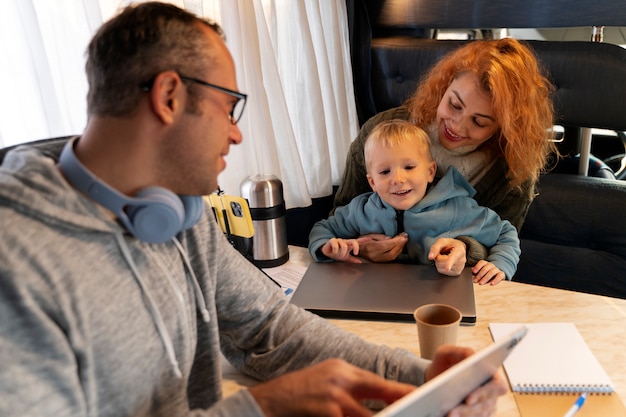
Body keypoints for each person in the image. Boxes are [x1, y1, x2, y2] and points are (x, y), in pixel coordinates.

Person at [0, 3, 507, 416]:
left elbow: (270, 329)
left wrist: (421, 376)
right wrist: (260, 409)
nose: (237, 132)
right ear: (170, 97)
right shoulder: (17, 262)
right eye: (229, 107)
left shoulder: (178, 212)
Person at [333, 37, 557, 276]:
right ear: (444, 87)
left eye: (479, 122)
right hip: (366, 277)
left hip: (449, 285)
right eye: (454, 104)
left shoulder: (513, 170)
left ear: (504, 128)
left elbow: (501, 243)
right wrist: (359, 248)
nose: (457, 127)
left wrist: (466, 249)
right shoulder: (381, 130)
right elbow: (339, 216)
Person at [310, 120, 520, 284]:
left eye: (409, 167)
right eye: (385, 172)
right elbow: (323, 228)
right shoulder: (361, 209)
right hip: (373, 292)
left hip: (437, 295)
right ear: (372, 182)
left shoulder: (456, 208)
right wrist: (326, 247)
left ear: (430, 172)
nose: (398, 179)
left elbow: (505, 232)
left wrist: (500, 264)